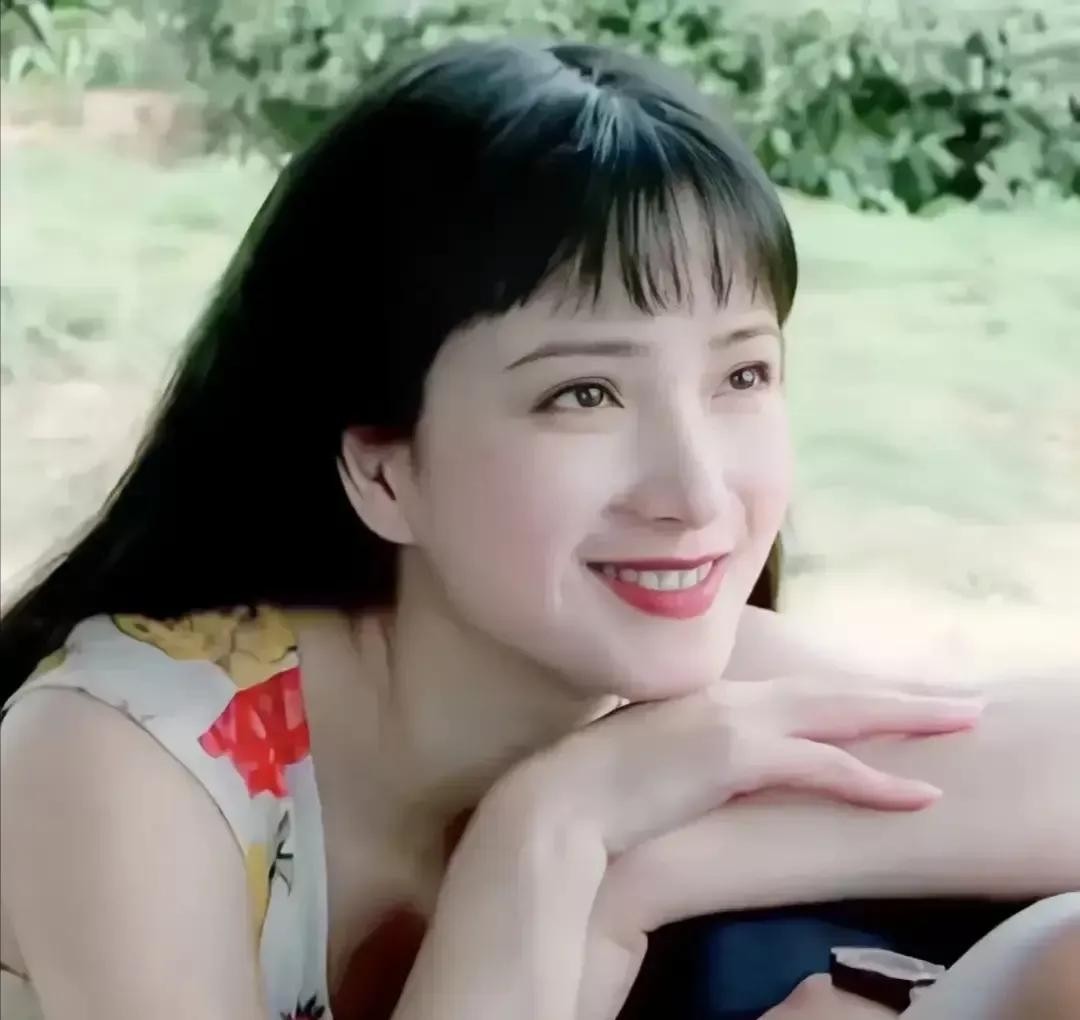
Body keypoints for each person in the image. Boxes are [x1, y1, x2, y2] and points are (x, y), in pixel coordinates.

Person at [0, 39, 1076, 1020]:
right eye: (584, 395)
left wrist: (627, 861)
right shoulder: (127, 761)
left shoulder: (651, 691)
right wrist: (551, 832)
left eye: (743, 375)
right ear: (385, 469)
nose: (698, 494)